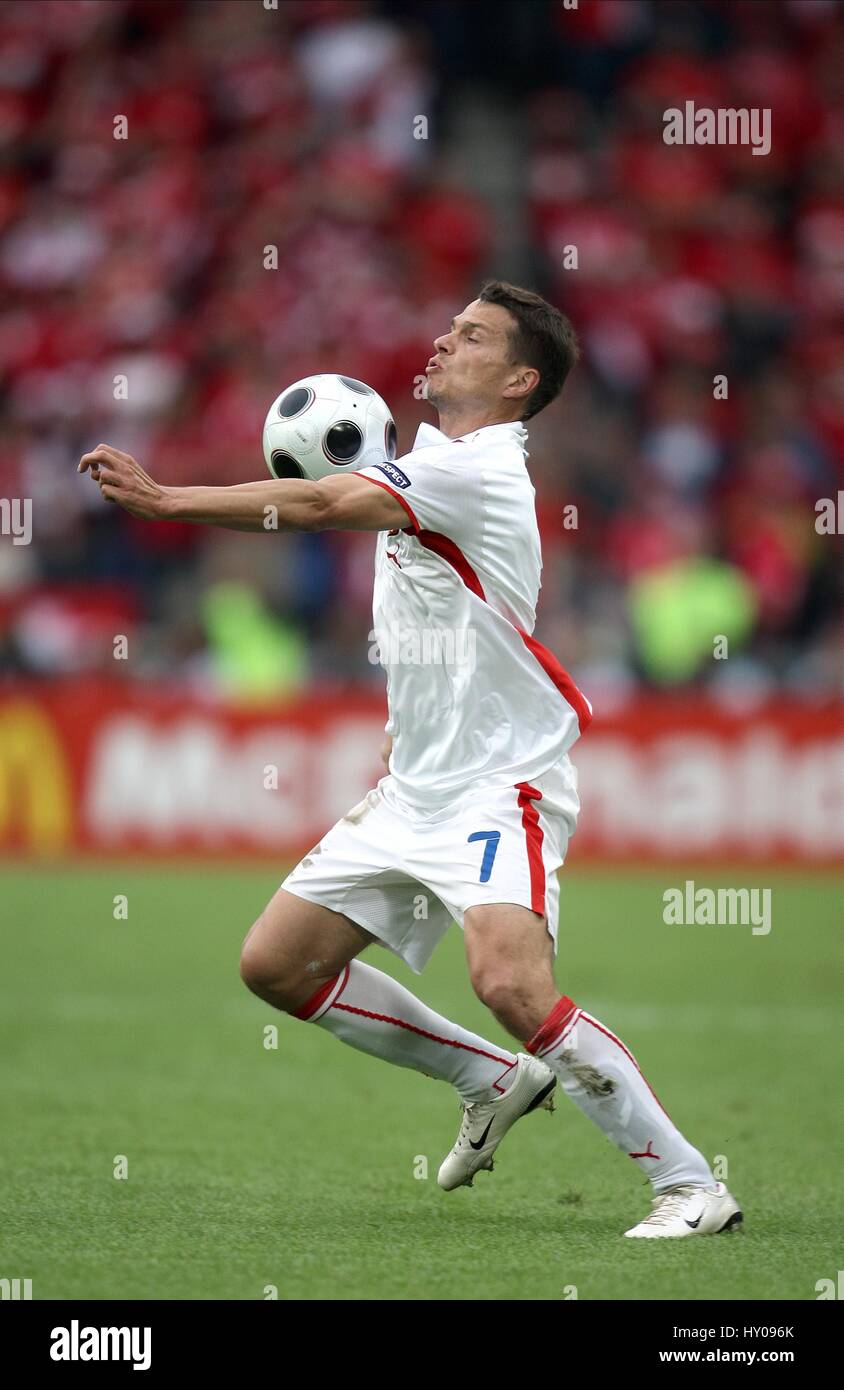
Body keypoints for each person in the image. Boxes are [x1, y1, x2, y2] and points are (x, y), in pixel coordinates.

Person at [79, 279, 741, 1237]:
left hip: (497, 783)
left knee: (512, 983)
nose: (441, 341)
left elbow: (312, 502)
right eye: (449, 326)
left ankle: (691, 1185)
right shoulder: (430, 462)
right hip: (414, 788)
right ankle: (487, 1077)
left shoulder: (480, 471)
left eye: (470, 337)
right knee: (278, 967)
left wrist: (165, 498)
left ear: (519, 379)